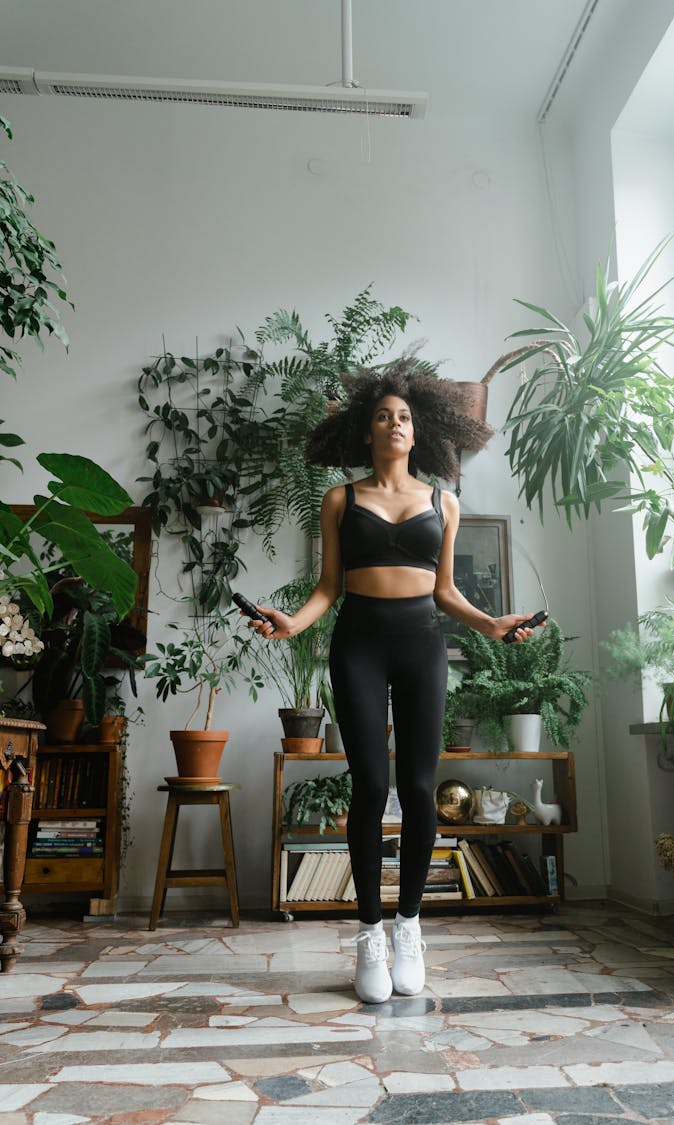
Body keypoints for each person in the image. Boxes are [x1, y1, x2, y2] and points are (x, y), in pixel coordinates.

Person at [245, 360, 538, 1004]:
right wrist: (292, 625)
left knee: (419, 785)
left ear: (419, 430)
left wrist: (492, 625)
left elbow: (447, 592)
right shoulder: (341, 500)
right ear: (366, 428)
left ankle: (409, 927)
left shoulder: (443, 502)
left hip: (421, 642)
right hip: (359, 641)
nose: (395, 424)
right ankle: (369, 936)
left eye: (404, 416)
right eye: (383, 415)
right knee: (371, 784)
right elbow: (328, 588)